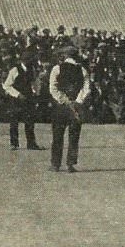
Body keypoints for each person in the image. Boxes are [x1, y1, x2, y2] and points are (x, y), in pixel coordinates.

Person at [48, 44, 91, 172]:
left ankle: (55, 164)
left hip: (60, 107)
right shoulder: (82, 69)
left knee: (57, 135)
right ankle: (70, 164)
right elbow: (86, 89)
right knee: (74, 135)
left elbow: (53, 88)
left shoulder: (57, 68)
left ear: (65, 56)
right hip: (76, 107)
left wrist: (63, 100)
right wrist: (78, 101)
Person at [2, 49, 44, 150]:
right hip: (16, 100)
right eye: (29, 60)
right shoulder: (15, 70)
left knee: (30, 122)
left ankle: (31, 143)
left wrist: (36, 94)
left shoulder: (32, 70)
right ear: (24, 60)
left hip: (28, 98)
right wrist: (17, 94)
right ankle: (14, 144)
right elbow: (7, 86)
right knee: (14, 122)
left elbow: (35, 83)